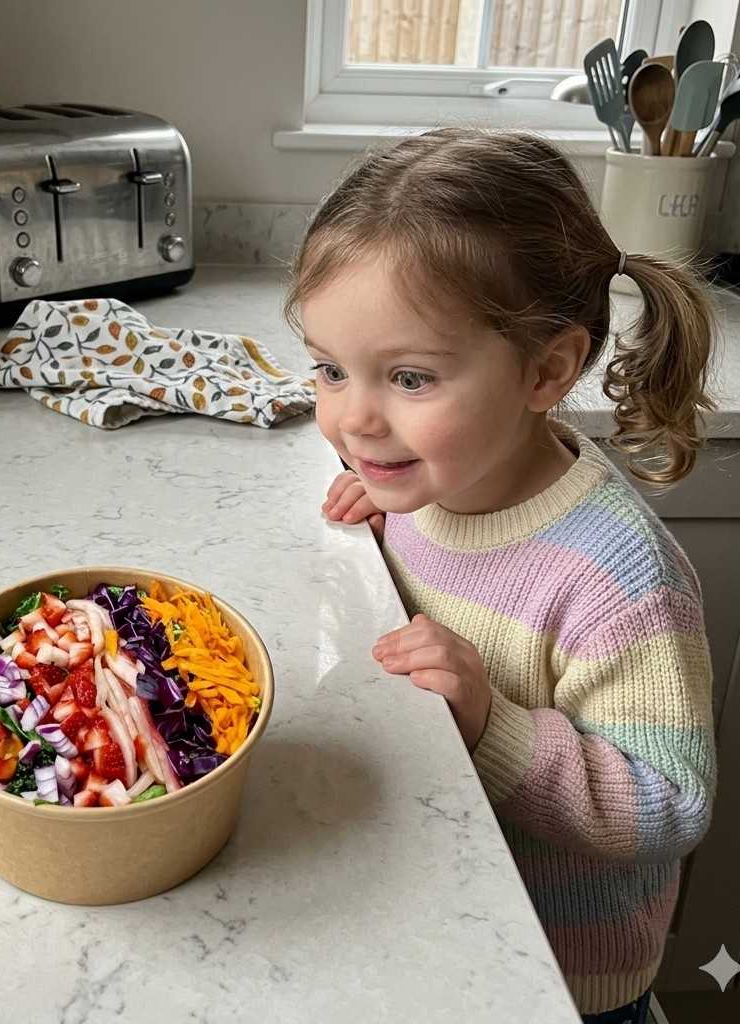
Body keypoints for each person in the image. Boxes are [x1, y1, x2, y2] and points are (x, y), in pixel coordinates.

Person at [284, 128, 718, 1024]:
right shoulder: (442, 476)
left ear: (545, 370)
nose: (353, 418)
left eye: (407, 378)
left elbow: (672, 805)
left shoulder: (618, 577)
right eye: (330, 369)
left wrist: (492, 722)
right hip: (437, 920)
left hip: (559, 979)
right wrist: (390, 494)